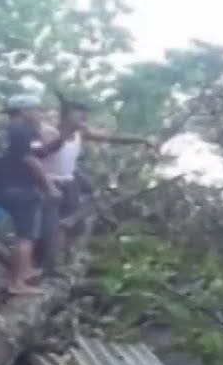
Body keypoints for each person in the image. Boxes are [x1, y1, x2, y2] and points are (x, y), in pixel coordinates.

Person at [32, 99, 153, 271]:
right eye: (78, 112)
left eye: (84, 113)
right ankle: (43, 265)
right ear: (67, 115)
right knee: (49, 227)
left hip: (69, 183)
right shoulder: (48, 132)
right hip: (49, 184)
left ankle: (58, 259)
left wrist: (140, 139)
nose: (83, 116)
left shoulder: (82, 132)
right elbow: (43, 152)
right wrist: (65, 134)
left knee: (72, 220)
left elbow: (110, 138)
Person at [0, 94, 62, 295]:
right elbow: (32, 160)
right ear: (25, 111)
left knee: (20, 233)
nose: (39, 114)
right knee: (26, 237)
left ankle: (21, 273)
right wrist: (50, 186)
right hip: (22, 190)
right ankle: (18, 282)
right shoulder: (25, 131)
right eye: (37, 110)